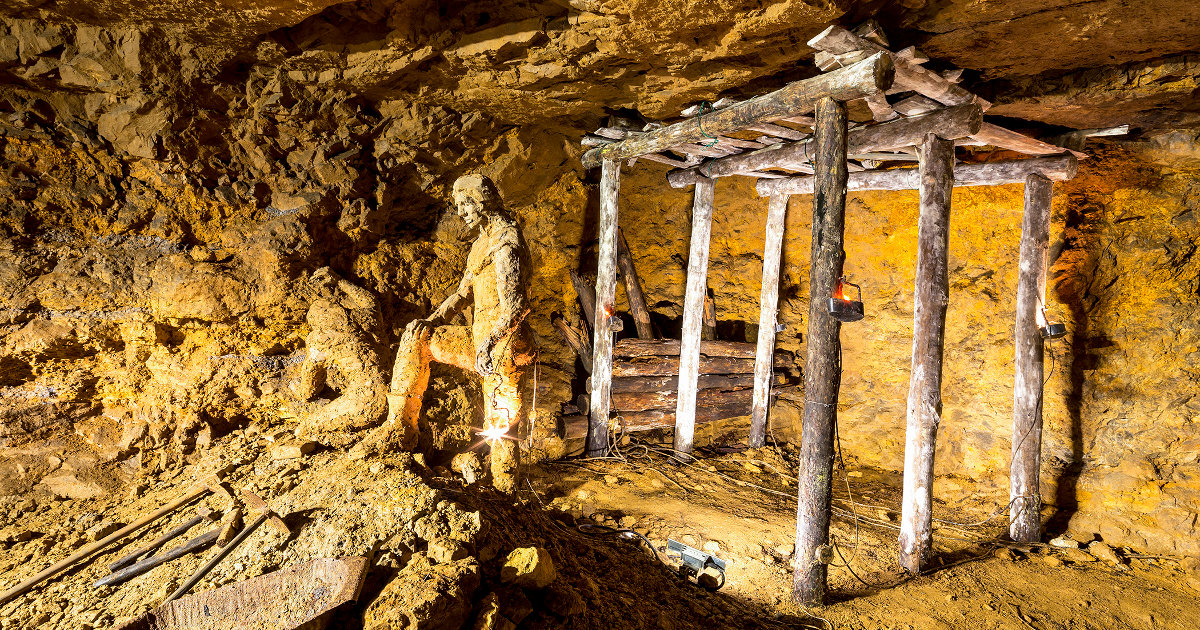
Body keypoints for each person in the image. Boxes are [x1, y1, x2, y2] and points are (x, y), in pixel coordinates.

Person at [351, 174, 533, 494]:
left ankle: (505, 484)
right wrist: (431, 320)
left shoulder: (506, 242)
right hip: (481, 339)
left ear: (482, 203)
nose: (461, 212)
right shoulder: (480, 244)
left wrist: (490, 344)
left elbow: (516, 308)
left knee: (501, 409)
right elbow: (463, 294)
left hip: (507, 341)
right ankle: (399, 429)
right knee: (417, 338)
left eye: (464, 204)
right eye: (458, 205)